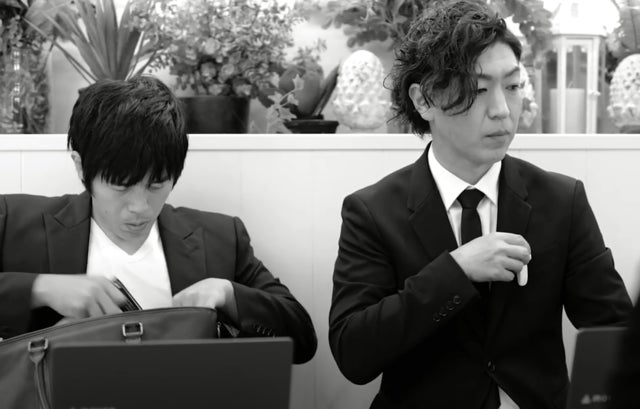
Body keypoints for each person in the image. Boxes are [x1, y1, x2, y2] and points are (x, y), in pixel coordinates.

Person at [328, 1, 632, 408]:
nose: (502, 111)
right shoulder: (372, 211)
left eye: (513, 86)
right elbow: (353, 353)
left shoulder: (562, 201)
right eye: (479, 89)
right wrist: (454, 272)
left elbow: (616, 333)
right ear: (424, 100)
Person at [0, 75, 316, 364]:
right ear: (81, 166)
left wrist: (228, 295)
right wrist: (39, 288)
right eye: (120, 185)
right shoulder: (13, 222)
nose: (140, 207)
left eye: (156, 184)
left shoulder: (220, 238)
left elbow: (301, 341)